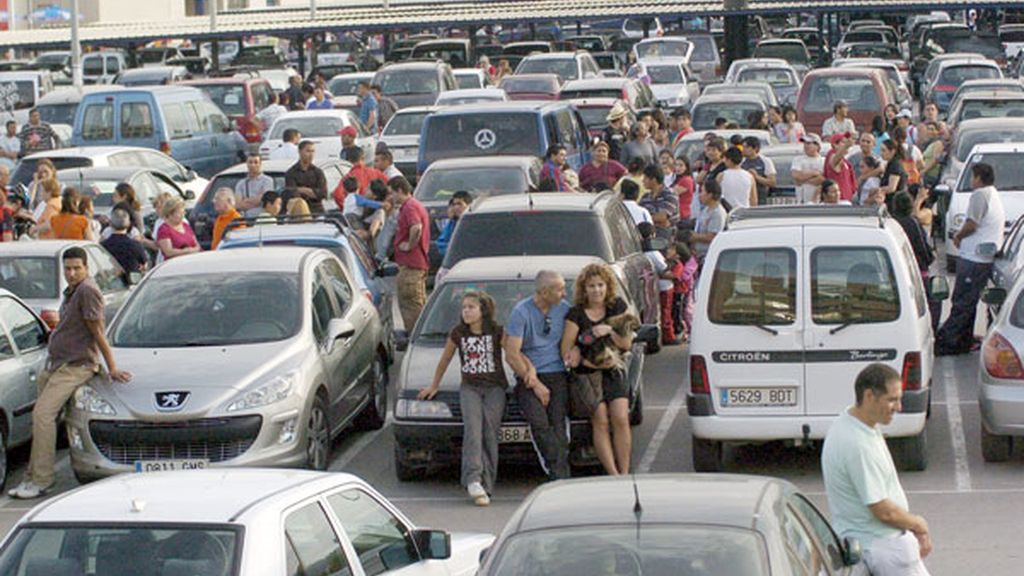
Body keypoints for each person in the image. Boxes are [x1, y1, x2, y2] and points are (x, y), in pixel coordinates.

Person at [8, 247, 131, 499]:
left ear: (86, 268)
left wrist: (112, 366)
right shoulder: (72, 291)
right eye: (68, 269)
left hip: (77, 366)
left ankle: (42, 480)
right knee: (40, 419)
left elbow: (98, 333)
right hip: (57, 364)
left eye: (77, 268)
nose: (72, 273)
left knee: (43, 416)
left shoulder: (87, 291)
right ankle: (32, 475)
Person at [821, 363, 933, 576]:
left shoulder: (850, 424)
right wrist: (919, 524)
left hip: (861, 543)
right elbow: (884, 511)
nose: (899, 407)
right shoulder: (858, 444)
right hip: (882, 546)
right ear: (869, 396)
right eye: (892, 399)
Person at [419, 291, 507, 506]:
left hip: (495, 388)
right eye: (464, 307)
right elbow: (445, 359)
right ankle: (473, 479)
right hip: (470, 388)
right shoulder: (458, 333)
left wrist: (528, 373)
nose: (466, 311)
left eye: (471, 307)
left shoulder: (496, 331)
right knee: (473, 430)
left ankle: (487, 484)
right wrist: (434, 385)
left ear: (482, 310)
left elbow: (513, 354)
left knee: (489, 432)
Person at [561, 264, 634, 476]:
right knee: (600, 420)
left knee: (620, 417)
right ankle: (613, 473)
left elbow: (626, 343)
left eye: (600, 285)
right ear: (584, 289)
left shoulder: (617, 307)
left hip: (614, 369)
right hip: (587, 374)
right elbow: (566, 353)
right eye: (591, 286)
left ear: (607, 286)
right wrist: (581, 355)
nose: (596, 290)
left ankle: (626, 471)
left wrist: (608, 329)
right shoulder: (575, 314)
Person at [503, 270, 572, 481]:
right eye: (559, 289)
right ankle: (559, 473)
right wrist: (535, 383)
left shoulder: (564, 309)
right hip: (530, 377)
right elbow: (511, 354)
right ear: (543, 292)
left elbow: (574, 336)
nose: (564, 293)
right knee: (539, 423)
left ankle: (559, 475)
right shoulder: (521, 312)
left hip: (557, 372)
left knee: (558, 425)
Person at [937, 163, 1004, 356]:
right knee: (970, 301)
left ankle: (948, 342)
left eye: (972, 177)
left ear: (979, 178)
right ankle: (963, 341)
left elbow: (972, 224)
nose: (971, 181)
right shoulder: (993, 194)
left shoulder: (980, 195)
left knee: (962, 301)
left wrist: (958, 236)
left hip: (973, 257)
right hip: (982, 257)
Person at [892, 191, 939, 332]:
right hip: (917, 271)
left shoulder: (891, 223)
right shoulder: (913, 223)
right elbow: (922, 247)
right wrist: (930, 259)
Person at [391, 176, 430, 331]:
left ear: (400, 190)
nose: (392, 197)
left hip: (411, 264)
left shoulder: (410, 207)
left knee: (410, 304)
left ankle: (415, 336)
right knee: (416, 302)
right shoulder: (413, 205)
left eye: (392, 193)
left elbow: (416, 227)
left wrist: (409, 245)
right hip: (413, 264)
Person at [101, 208, 149, 279]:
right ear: (128, 224)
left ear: (111, 224)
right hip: (132, 281)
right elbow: (145, 265)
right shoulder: (135, 245)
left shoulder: (103, 246)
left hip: (110, 281)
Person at [284, 141, 327, 214]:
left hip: (317, 211)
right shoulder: (291, 172)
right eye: (308, 151)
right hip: (299, 212)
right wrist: (312, 192)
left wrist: (303, 190)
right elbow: (292, 193)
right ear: (300, 152)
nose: (311, 154)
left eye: (313, 151)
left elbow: (322, 193)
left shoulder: (318, 172)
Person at [691, 179, 726, 261]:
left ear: (710, 195)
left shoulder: (717, 213)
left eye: (702, 192)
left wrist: (693, 236)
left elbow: (712, 237)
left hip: (708, 255)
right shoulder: (706, 209)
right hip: (698, 254)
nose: (700, 195)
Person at [434, 190, 471, 258]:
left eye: (459, 204)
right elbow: (441, 243)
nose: (456, 207)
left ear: (469, 205)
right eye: (454, 204)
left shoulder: (473, 222)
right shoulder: (453, 223)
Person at [741, 137, 776, 206]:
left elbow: (772, 182)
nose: (743, 150)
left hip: (761, 199)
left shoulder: (765, 161)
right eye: (743, 147)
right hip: (745, 199)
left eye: (747, 147)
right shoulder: (741, 162)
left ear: (755, 148)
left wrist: (757, 177)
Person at [791, 134, 825, 204]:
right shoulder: (798, 159)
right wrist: (815, 173)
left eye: (809, 143)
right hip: (802, 200)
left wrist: (803, 180)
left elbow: (822, 179)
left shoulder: (824, 161)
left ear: (817, 146)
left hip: (819, 201)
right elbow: (796, 176)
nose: (806, 146)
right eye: (805, 143)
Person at [825, 132, 857, 202]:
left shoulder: (845, 161)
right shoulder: (832, 155)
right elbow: (835, 161)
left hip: (847, 200)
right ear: (835, 144)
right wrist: (846, 146)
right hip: (839, 201)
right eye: (843, 142)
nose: (847, 144)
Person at [879, 139, 908, 211]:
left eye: (884, 150)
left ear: (892, 151)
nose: (881, 153)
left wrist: (878, 190)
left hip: (894, 203)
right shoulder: (890, 164)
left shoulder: (895, 165)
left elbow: (892, 188)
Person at [919, 121, 945, 189]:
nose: (930, 131)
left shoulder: (938, 143)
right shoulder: (929, 144)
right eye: (928, 129)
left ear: (937, 131)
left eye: (932, 129)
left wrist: (923, 171)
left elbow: (935, 159)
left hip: (931, 175)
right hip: (926, 174)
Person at [670, 155, 695, 222]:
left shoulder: (686, 180)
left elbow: (672, 193)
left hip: (682, 214)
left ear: (686, 167)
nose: (678, 168)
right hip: (677, 212)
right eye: (676, 165)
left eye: (681, 165)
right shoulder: (678, 179)